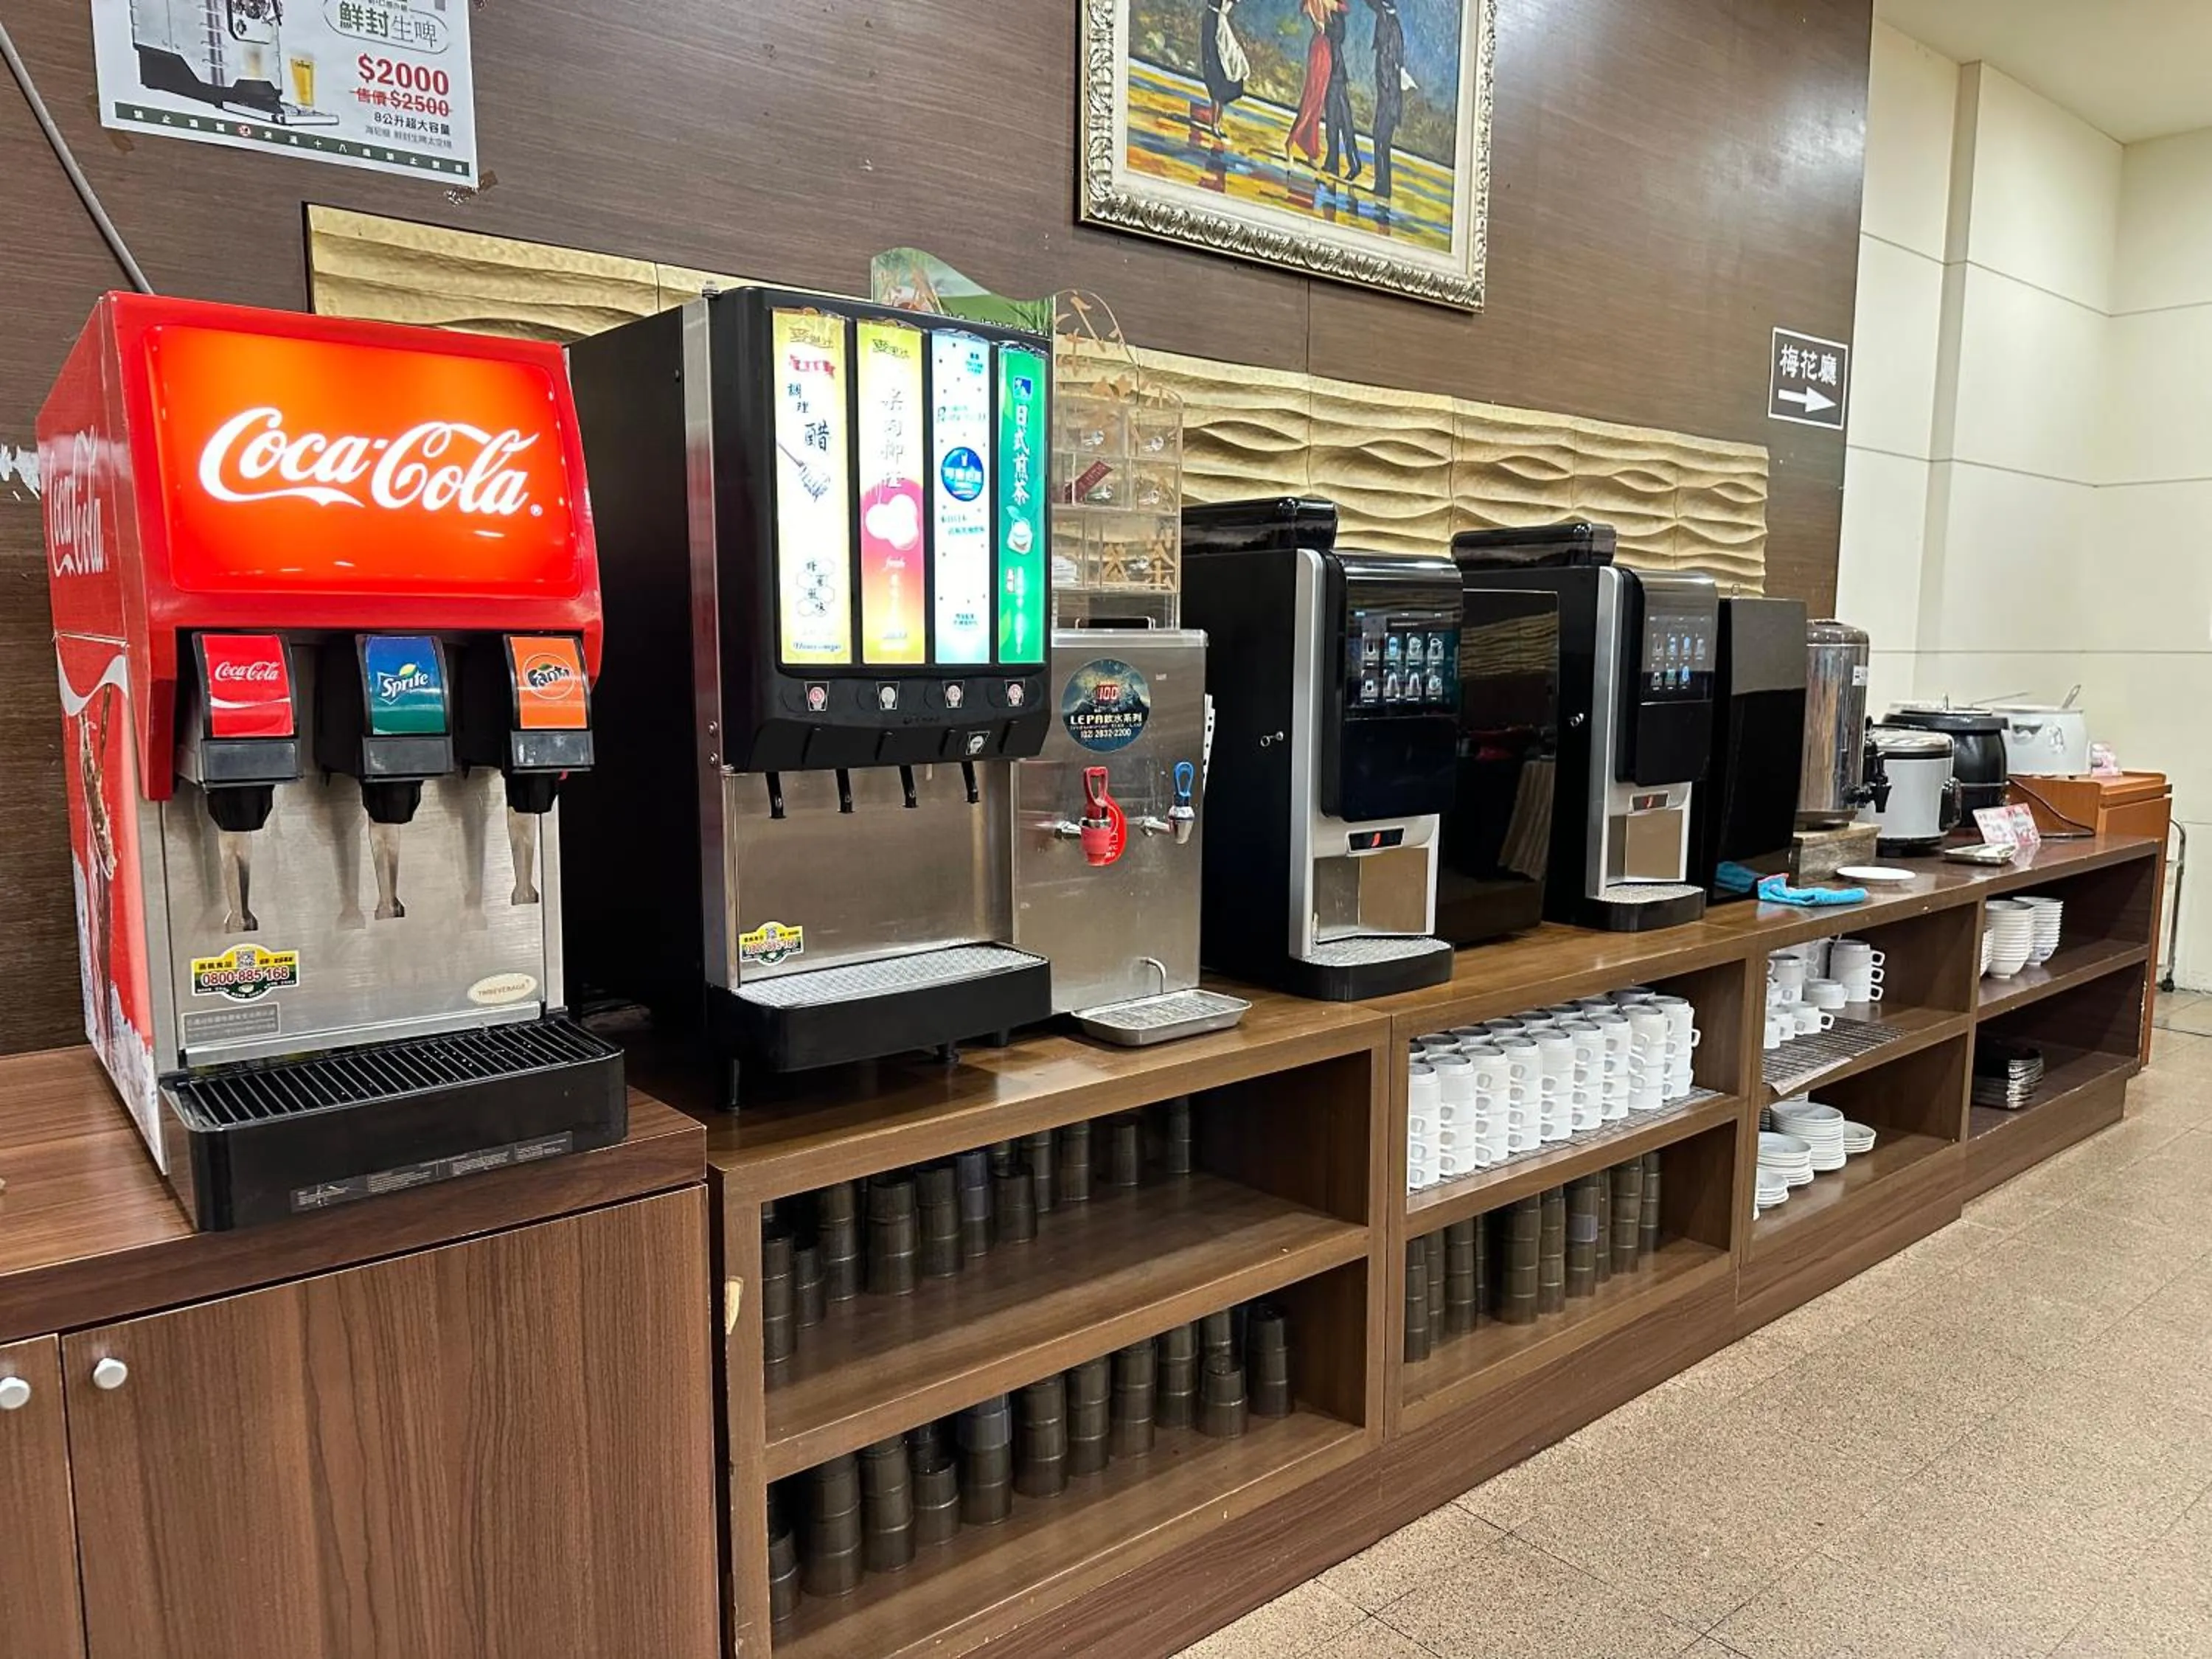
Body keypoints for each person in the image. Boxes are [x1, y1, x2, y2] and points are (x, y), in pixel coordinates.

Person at [1284, 0, 1334, 166]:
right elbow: (1308, 10)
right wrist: (1318, 17)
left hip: (1326, 49)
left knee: (1318, 103)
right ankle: (1291, 142)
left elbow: (1343, 8)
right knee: (1311, 100)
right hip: (1320, 48)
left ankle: (1311, 151)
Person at [1366, 0, 1405, 199]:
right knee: (1381, 140)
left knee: (1381, 139)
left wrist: (1387, 89)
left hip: (1389, 99)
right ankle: (1382, 186)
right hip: (1389, 98)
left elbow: (1390, 69)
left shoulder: (1390, 27)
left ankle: (1383, 187)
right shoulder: (1390, 24)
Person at [1322, 0, 1362, 183]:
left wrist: (1324, 26)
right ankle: (1334, 163)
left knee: (1343, 120)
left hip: (1336, 72)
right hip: (1332, 71)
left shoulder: (1336, 15)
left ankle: (1352, 164)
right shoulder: (1330, 13)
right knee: (1333, 119)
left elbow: (1338, 36)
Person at [1199, 0, 1248, 139]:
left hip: (1219, 26)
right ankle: (1215, 124)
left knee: (1221, 76)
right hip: (1214, 27)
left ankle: (1216, 123)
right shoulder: (1213, 16)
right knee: (1216, 75)